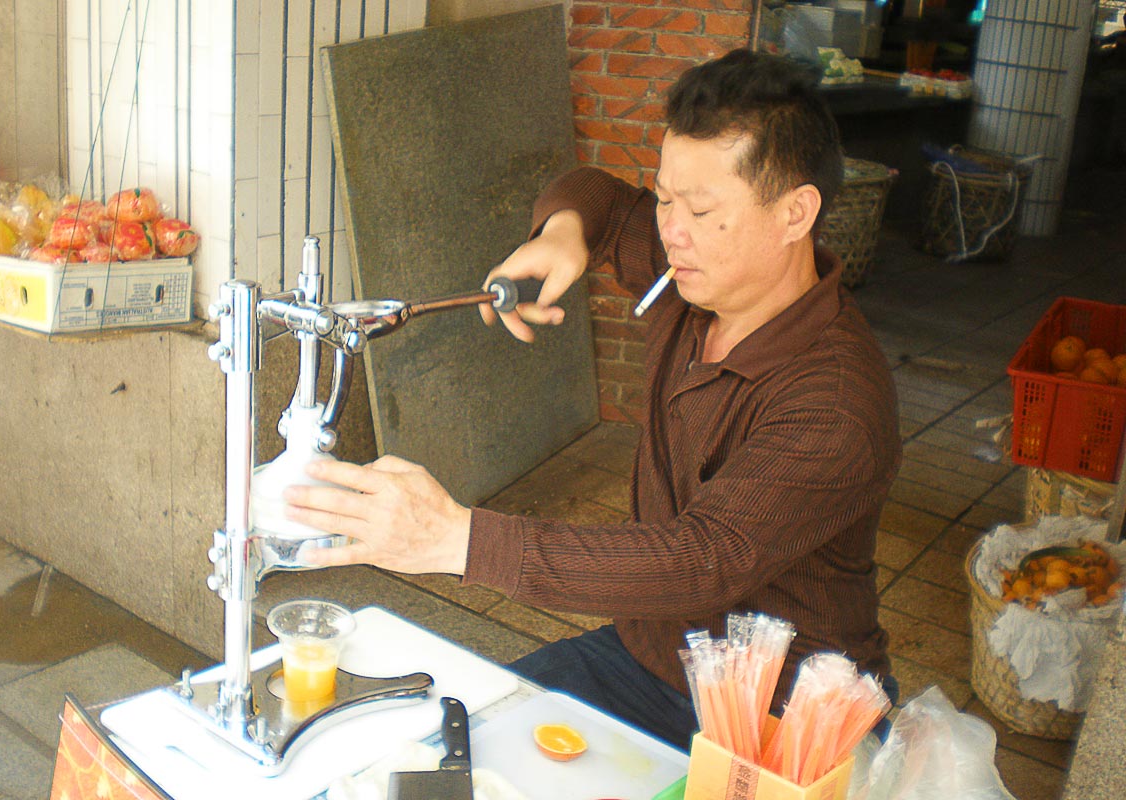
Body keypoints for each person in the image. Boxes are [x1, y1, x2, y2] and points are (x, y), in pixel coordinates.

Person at [285, 49, 901, 749]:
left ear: (796, 213)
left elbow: (701, 560)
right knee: (438, 760)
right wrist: (564, 234)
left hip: (790, 716)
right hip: (648, 663)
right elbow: (599, 196)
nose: (671, 229)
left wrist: (457, 539)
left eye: (701, 209)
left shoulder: (836, 400)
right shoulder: (693, 273)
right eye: (667, 197)